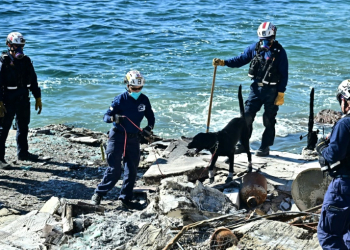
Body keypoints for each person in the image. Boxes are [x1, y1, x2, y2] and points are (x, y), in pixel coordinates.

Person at [212, 22, 288, 156]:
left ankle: (264, 147)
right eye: (262, 40)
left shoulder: (280, 52)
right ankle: (243, 144)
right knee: (246, 117)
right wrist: (224, 62)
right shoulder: (255, 48)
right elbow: (241, 59)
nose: (265, 43)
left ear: (273, 37)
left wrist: (281, 92)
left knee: (268, 120)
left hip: (272, 91)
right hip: (255, 90)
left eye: (268, 40)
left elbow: (284, 74)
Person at [91, 70, 155, 209]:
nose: (137, 90)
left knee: (131, 170)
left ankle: (125, 198)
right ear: (127, 86)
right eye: (134, 88)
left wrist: (148, 128)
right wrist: (114, 118)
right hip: (117, 136)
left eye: (139, 88)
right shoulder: (120, 99)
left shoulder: (144, 100)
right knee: (114, 169)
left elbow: (151, 117)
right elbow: (106, 117)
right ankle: (99, 193)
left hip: (133, 139)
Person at [316, 79, 350, 249]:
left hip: (344, 186)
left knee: (328, 235)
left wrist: (322, 148)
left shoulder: (345, 123)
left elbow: (333, 155)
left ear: (345, 100)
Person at [0, 32, 42, 169]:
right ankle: (0, 159)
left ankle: (23, 153)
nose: (19, 49)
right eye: (16, 46)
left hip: (23, 98)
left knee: (23, 126)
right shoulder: (3, 62)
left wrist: (38, 97)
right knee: (3, 129)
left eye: (21, 46)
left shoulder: (26, 61)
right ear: (9, 45)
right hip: (7, 100)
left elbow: (33, 80)